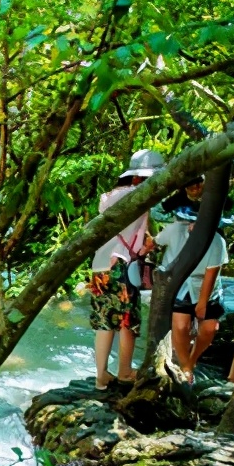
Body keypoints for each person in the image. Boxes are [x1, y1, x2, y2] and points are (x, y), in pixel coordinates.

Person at [87, 149, 160, 390]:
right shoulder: (141, 198)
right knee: (127, 320)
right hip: (122, 265)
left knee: (104, 320)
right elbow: (137, 246)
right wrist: (149, 247)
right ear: (137, 178)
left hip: (100, 267)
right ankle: (125, 371)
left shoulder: (108, 197)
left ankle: (101, 377)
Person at [152, 205, 228, 383]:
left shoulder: (217, 241)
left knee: (210, 328)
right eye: (191, 222)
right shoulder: (176, 230)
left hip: (205, 287)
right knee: (180, 326)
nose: (192, 226)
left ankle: (191, 360)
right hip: (179, 284)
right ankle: (186, 367)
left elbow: (211, 274)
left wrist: (202, 304)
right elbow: (155, 242)